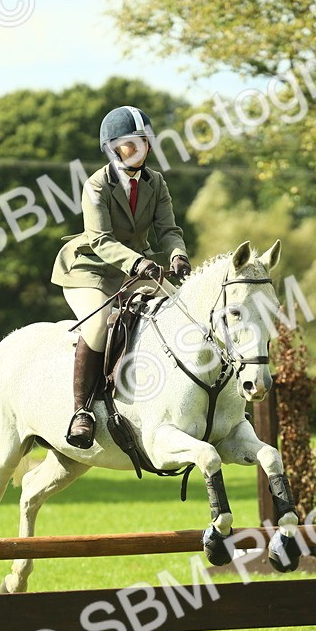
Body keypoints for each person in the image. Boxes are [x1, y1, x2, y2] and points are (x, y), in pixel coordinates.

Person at [51, 106, 192, 449]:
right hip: (90, 269)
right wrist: (139, 263)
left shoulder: (156, 182)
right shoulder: (96, 185)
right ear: (112, 147)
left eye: (146, 141)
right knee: (98, 324)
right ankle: (82, 411)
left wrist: (178, 255)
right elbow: (101, 240)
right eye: (134, 142)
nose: (143, 148)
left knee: (182, 311)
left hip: (135, 269)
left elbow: (168, 230)